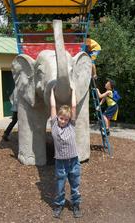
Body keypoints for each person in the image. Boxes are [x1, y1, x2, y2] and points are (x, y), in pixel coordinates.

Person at [50, 87, 82, 219]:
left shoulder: (71, 125)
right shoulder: (53, 125)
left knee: (75, 185)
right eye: (61, 118)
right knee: (60, 186)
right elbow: (52, 106)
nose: (63, 121)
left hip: (74, 161)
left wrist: (74, 91)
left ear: (69, 120)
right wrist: (52, 92)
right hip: (60, 163)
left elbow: (73, 107)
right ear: (57, 116)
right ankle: (59, 205)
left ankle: (75, 204)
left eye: (65, 119)